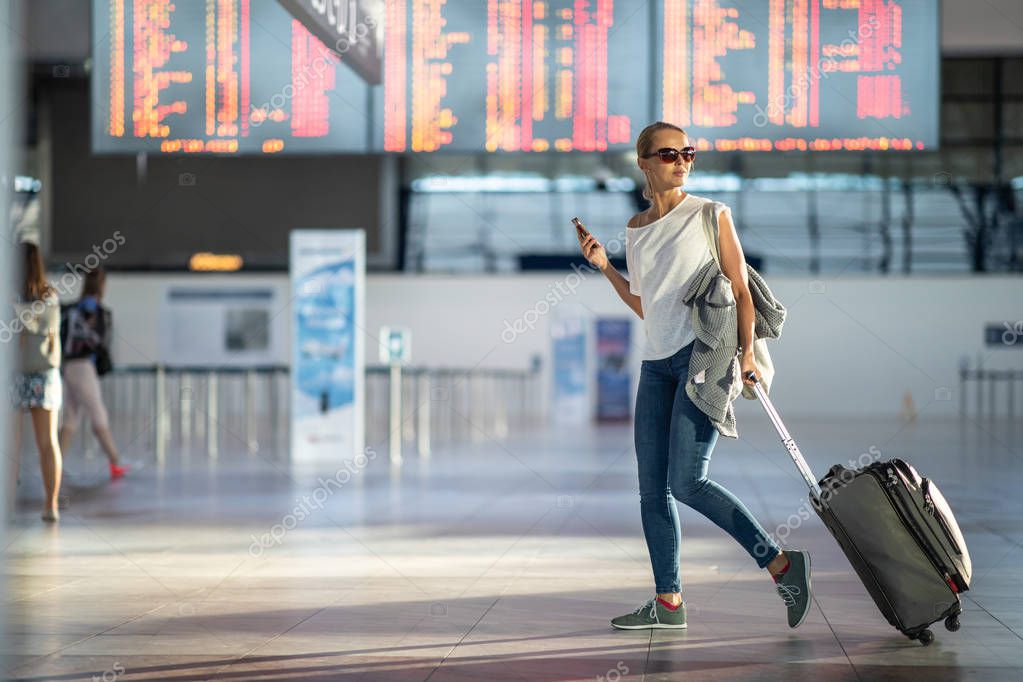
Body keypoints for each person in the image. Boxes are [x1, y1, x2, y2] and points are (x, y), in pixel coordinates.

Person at [577, 121, 813, 630]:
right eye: (668, 154)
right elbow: (647, 305)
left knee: (687, 481)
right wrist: (604, 267)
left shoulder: (710, 214)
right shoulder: (636, 231)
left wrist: (747, 354)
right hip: (656, 364)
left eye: (688, 152)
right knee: (650, 489)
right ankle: (668, 603)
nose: (681, 161)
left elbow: (742, 289)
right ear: (643, 162)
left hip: (702, 358)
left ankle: (781, 563)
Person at [9, 238, 64, 522]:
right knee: (48, 442)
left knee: (9, 443)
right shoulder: (51, 297)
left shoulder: (8, 297)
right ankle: (51, 504)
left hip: (14, 374)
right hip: (45, 374)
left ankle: (6, 504)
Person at [59, 267, 127, 480]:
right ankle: (115, 461)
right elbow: (100, 341)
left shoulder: (70, 309)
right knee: (98, 414)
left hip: (68, 366)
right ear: (102, 285)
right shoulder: (96, 311)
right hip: (84, 368)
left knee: (70, 416)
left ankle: (55, 463)